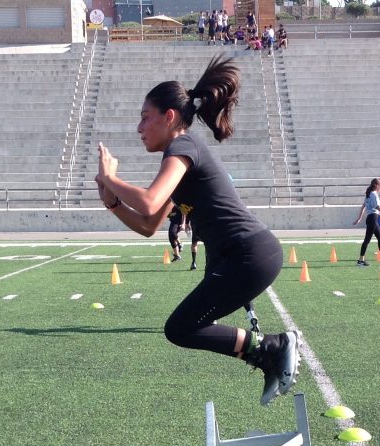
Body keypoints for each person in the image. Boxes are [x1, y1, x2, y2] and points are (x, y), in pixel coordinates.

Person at [94, 55, 300, 406]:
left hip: (249, 254)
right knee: (183, 328)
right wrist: (112, 203)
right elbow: (147, 224)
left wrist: (110, 178)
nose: (139, 128)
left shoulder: (182, 146)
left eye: (145, 117)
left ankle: (274, 347)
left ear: (169, 116)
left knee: (180, 327)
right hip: (243, 257)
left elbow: (147, 201)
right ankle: (268, 354)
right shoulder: (178, 157)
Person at [353, 178, 380, 265]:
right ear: (376, 185)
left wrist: (359, 218)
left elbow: (363, 206)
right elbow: (378, 207)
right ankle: (361, 260)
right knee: (367, 240)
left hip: (372, 218)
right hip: (372, 218)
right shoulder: (374, 194)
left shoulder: (369, 194)